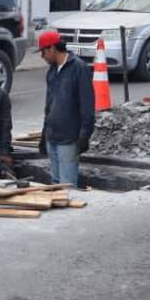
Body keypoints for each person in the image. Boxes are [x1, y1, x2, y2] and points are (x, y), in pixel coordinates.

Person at [38, 30, 94, 187]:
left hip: (68, 139)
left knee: (67, 185)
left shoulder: (78, 69)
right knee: (55, 183)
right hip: (52, 136)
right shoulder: (52, 71)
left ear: (52, 48)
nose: (42, 56)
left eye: (43, 52)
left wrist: (84, 135)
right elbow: (49, 105)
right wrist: (44, 134)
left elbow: (87, 105)